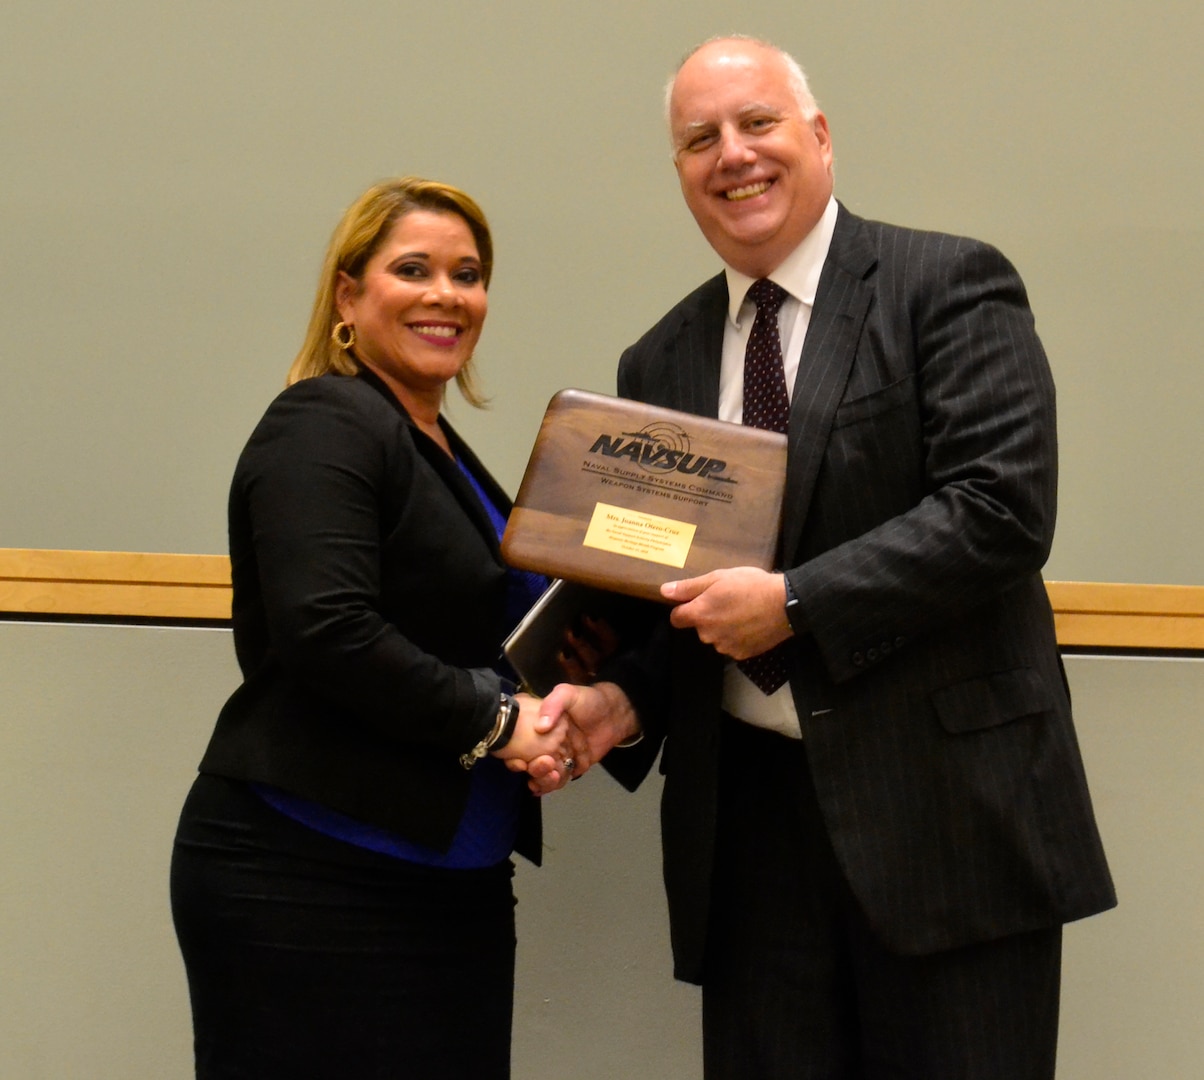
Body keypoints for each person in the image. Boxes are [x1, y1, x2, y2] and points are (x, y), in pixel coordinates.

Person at [541, 36, 1117, 1079]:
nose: (732, 155)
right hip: (751, 838)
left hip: (946, 823)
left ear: (817, 135)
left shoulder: (945, 284)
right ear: (679, 174)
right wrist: (621, 702)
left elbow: (999, 509)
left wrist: (796, 604)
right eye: (698, 139)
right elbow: (681, 593)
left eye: (756, 123)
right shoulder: (657, 359)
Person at [169, 176, 583, 1079]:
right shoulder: (323, 420)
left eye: (468, 274)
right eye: (414, 269)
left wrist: (569, 716)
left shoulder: (437, 444)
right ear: (349, 295)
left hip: (452, 882)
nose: (447, 294)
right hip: (312, 877)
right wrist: (504, 724)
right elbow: (326, 629)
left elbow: (492, 640)